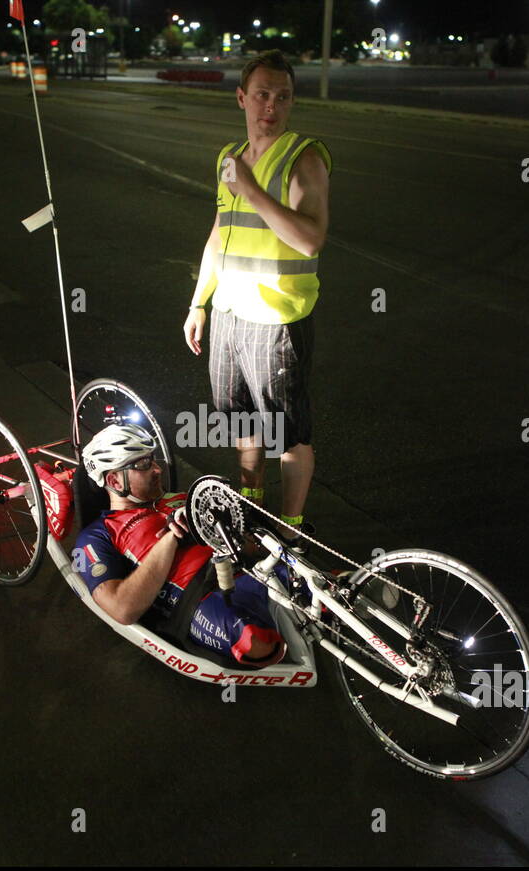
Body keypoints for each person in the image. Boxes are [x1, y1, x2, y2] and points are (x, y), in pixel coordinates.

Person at [182, 50, 331, 544]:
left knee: (288, 435)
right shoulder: (229, 158)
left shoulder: (303, 156)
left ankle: (290, 533)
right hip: (229, 315)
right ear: (242, 97)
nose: (272, 105)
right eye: (263, 94)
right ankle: (252, 504)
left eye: (283, 96)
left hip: (276, 320)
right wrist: (199, 302)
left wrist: (252, 191)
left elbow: (310, 238)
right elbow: (219, 233)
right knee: (240, 422)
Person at [74, 424, 288, 668]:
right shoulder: (97, 535)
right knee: (258, 644)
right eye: (143, 464)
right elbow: (122, 609)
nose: (157, 469)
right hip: (204, 596)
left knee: (334, 591)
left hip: (255, 569)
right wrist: (171, 539)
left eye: (153, 459)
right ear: (114, 479)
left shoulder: (183, 497)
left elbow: (251, 545)